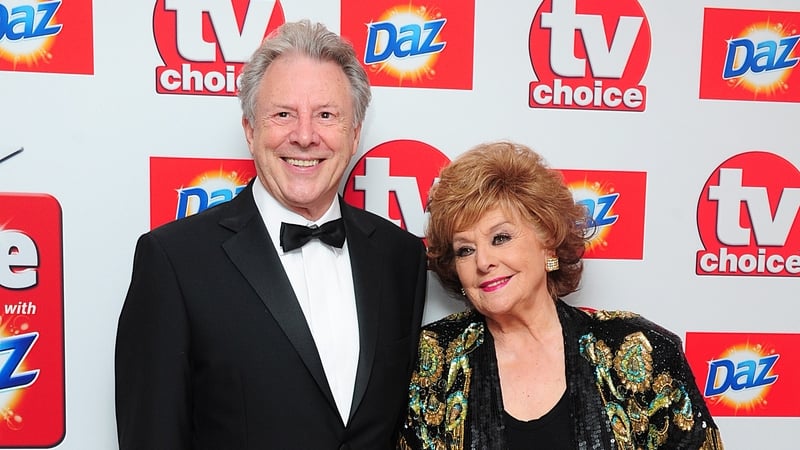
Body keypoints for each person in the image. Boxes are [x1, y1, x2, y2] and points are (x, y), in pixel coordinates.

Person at [115, 20, 427, 449]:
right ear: (250, 129)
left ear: (353, 134)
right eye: (283, 114)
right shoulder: (174, 262)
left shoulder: (401, 258)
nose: (303, 136)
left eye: (326, 115)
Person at [397, 141, 724, 449]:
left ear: (547, 242)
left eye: (500, 238)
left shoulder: (639, 348)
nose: (483, 262)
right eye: (465, 250)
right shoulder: (430, 361)